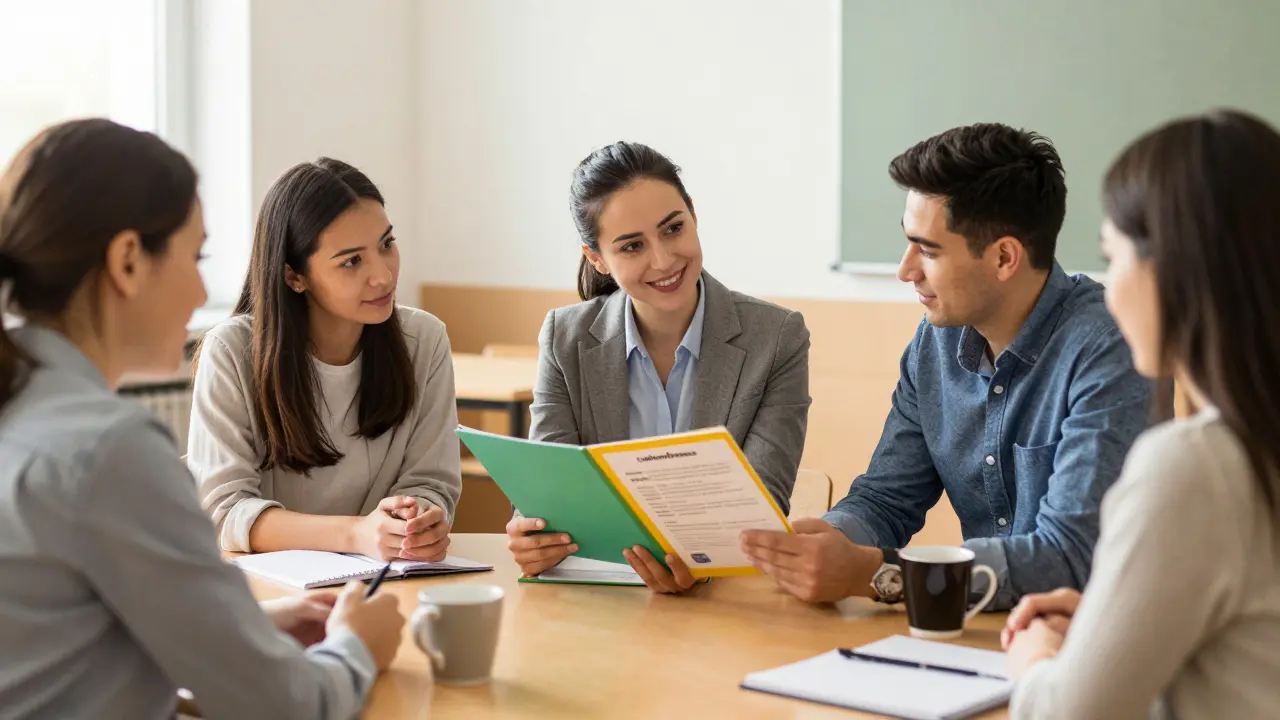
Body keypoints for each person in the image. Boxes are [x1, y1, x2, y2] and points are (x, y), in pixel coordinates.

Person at [0, 119, 404, 718]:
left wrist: (243, 627)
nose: (201, 290)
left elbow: (54, 635)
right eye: (197, 256)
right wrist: (357, 647)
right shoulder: (110, 449)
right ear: (129, 261)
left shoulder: (26, 412)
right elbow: (290, 707)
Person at [742, 123, 1155, 609]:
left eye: (928, 250)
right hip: (974, 633)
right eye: (907, 243)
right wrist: (817, 545)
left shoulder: (1111, 350)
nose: (905, 270)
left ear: (1004, 257)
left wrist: (881, 572)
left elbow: (1069, 557)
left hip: (1084, 645)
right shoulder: (936, 340)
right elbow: (886, 500)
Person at [1002, 109, 1280, 718]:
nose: (1109, 284)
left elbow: (1068, 715)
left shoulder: (1195, 466)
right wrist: (1115, 621)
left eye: (1112, 253)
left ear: (1171, 269)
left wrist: (1037, 662)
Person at [505, 141, 811, 593]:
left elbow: (762, 502)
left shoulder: (778, 336)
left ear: (693, 215)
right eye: (632, 246)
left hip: (726, 601)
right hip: (601, 604)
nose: (664, 260)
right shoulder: (564, 338)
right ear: (597, 259)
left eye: (672, 229)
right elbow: (548, 496)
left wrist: (700, 563)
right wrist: (532, 536)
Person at [187, 158, 461, 562]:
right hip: (267, 588)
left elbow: (430, 482)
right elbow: (223, 511)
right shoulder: (231, 351)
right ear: (294, 276)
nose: (383, 276)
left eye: (386, 244)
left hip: (383, 579)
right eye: (352, 261)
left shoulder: (425, 340)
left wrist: (414, 520)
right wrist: (355, 534)